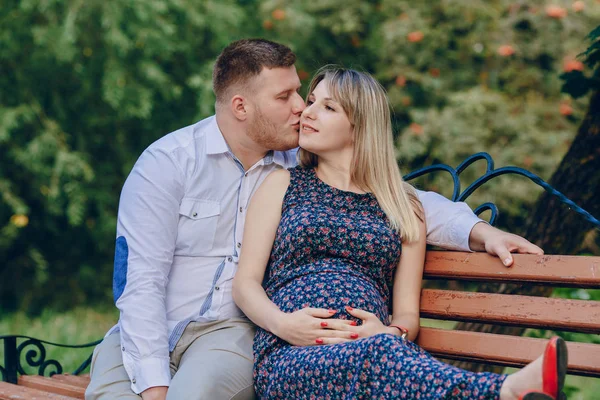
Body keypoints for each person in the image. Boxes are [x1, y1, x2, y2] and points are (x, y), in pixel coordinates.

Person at [85, 39, 543, 400]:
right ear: (242, 107)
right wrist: (154, 387)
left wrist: (479, 231)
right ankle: (501, 392)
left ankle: (502, 392)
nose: (301, 107)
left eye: (309, 97)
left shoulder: (290, 159)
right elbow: (140, 286)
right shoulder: (170, 164)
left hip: (235, 336)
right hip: (168, 328)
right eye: (288, 96)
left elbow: (401, 198)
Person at [232, 67, 567, 400]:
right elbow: (245, 283)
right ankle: (504, 393)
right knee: (381, 358)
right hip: (291, 356)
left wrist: (390, 332)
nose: (308, 112)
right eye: (312, 101)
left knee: (381, 355)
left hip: (374, 352)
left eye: (329, 107)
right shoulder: (283, 183)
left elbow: (407, 312)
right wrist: (283, 324)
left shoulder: (402, 204)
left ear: (360, 126)